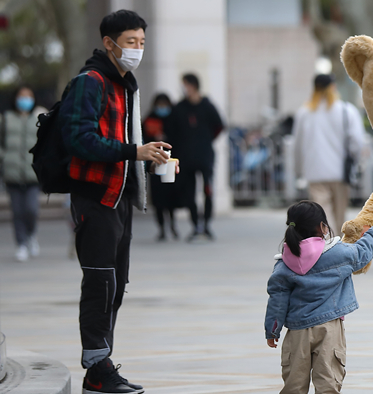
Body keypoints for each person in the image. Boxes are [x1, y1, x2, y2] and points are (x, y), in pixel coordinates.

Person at [58, 10, 176, 394]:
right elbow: (79, 139)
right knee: (100, 282)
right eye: (131, 42)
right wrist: (134, 151)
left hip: (119, 197)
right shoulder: (90, 83)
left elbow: (123, 142)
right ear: (109, 43)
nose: (137, 49)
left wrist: (145, 152)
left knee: (116, 285)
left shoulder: (124, 83)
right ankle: (95, 366)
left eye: (142, 42)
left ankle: (102, 361)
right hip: (95, 196)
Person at [265, 200, 373, 394]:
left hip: (297, 332)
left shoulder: (284, 263)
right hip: (329, 328)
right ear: (323, 227)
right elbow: (361, 253)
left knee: (293, 385)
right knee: (328, 384)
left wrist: (272, 329)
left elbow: (277, 299)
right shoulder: (337, 253)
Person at [293, 74, 365, 235]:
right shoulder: (346, 110)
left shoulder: (304, 112)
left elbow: (297, 145)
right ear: (333, 87)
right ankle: (339, 244)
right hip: (340, 172)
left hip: (315, 171)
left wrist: (298, 170)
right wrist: (354, 160)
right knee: (340, 214)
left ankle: (326, 243)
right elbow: (356, 141)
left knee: (321, 213)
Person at [169, 73, 224, 242]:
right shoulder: (179, 108)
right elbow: (172, 131)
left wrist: (206, 140)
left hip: (204, 156)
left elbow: (219, 126)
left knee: (208, 190)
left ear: (193, 86)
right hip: (186, 158)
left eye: (185, 84)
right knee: (189, 193)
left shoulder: (207, 106)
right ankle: (195, 225)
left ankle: (206, 223)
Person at [0, 85, 46, 262]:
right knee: (17, 212)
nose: (25, 100)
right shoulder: (6, 119)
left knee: (31, 209)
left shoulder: (38, 118)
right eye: (21, 96)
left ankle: (31, 235)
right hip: (12, 174)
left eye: (28, 96)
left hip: (32, 174)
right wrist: (5, 158)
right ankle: (21, 244)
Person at [143, 93, 179, 241]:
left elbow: (180, 137)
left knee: (171, 198)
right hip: (155, 163)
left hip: (171, 163)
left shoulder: (174, 118)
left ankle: (172, 226)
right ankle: (162, 228)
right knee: (158, 199)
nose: (162, 108)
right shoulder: (149, 119)